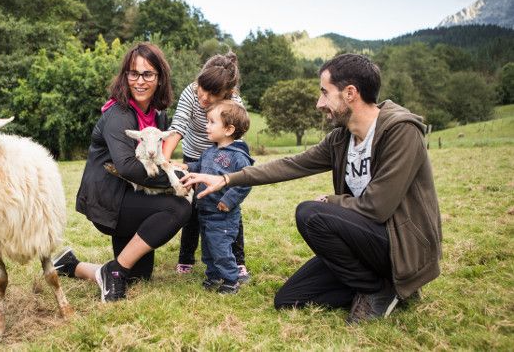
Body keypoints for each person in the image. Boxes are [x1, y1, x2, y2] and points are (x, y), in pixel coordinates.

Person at [181, 53, 442, 323]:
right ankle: (390, 286)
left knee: (311, 214)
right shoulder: (341, 139)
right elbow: (289, 165)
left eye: (325, 93)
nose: (319, 103)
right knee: (289, 299)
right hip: (364, 241)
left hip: (399, 245)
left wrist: (332, 201)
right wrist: (227, 179)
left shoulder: (401, 132)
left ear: (350, 93)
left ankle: (378, 289)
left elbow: (378, 207)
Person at [53, 42, 191, 302]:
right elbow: (127, 167)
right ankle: (114, 272)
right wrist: (177, 181)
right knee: (179, 207)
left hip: (136, 197)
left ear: (159, 78)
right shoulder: (118, 114)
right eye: (133, 73)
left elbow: (157, 158)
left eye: (148, 74)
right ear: (125, 76)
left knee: (139, 275)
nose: (140, 81)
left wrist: (174, 169)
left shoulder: (158, 116)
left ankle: (71, 265)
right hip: (110, 200)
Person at [162, 51, 250, 282]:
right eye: (202, 87)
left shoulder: (234, 104)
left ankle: (237, 261)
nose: (204, 97)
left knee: (228, 210)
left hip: (224, 162)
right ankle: (186, 257)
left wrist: (232, 173)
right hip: (195, 157)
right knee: (192, 209)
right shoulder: (191, 92)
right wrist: (164, 161)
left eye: (213, 94)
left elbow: (237, 143)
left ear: (227, 94)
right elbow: (178, 125)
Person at [184, 100, 254, 294]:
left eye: (211, 122)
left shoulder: (238, 156)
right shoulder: (210, 151)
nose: (207, 126)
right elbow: (200, 167)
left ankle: (231, 280)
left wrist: (228, 201)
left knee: (221, 249)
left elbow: (245, 182)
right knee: (208, 248)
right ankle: (213, 275)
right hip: (205, 211)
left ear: (229, 129)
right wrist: (187, 167)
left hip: (223, 214)